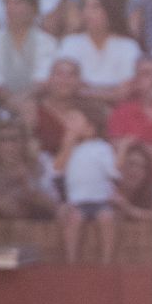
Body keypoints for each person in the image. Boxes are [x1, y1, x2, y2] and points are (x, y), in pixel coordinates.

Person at [0, 0, 58, 111]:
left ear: (32, 7)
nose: (11, 8)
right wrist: (14, 104)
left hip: (37, 107)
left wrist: (22, 104)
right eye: (8, 2)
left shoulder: (48, 42)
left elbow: (42, 80)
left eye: (18, 3)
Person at [57, 105, 119, 263]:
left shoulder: (103, 148)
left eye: (74, 120)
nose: (68, 124)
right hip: (77, 201)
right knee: (74, 221)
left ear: (90, 127)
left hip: (100, 200)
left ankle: (107, 260)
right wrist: (67, 144)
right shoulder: (71, 150)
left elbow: (112, 171)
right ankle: (71, 260)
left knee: (107, 219)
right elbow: (58, 170)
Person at [56, 0, 140, 103]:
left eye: (95, 7)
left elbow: (126, 90)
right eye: (85, 6)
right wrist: (110, 90)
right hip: (78, 108)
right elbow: (65, 85)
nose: (87, 12)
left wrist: (88, 88)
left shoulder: (128, 46)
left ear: (109, 10)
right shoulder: (71, 43)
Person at [0, 115, 59, 220]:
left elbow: (55, 203)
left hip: (35, 227)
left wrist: (32, 192)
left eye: (14, 139)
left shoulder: (39, 163)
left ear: (24, 141)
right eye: (2, 140)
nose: (9, 146)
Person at [113, 141, 152, 224]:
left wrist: (128, 209)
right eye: (131, 164)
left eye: (142, 167)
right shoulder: (108, 189)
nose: (135, 170)